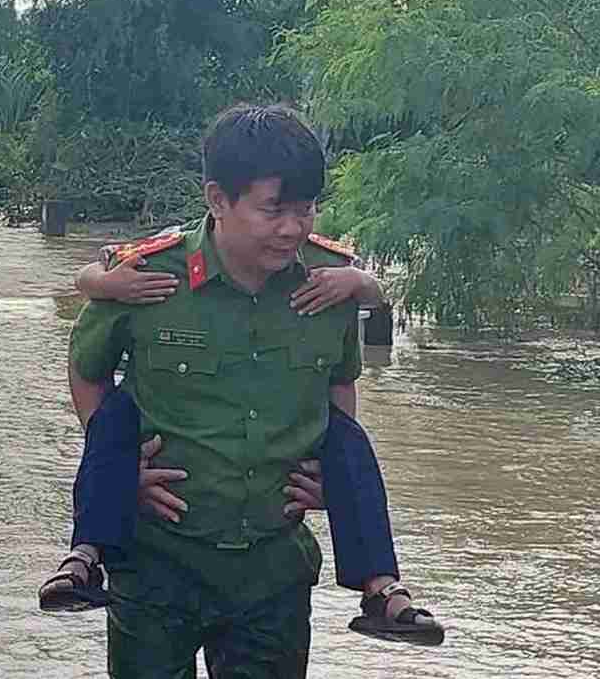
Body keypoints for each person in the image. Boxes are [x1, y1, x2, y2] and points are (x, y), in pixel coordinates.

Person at [62, 104, 443, 676]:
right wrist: (118, 474)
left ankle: (382, 589)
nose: (293, 227)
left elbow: (339, 389)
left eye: (306, 208)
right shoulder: (147, 277)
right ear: (219, 200)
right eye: (273, 210)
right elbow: (87, 371)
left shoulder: (329, 284)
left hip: (272, 574)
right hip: (156, 565)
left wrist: (327, 477)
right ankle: (81, 559)